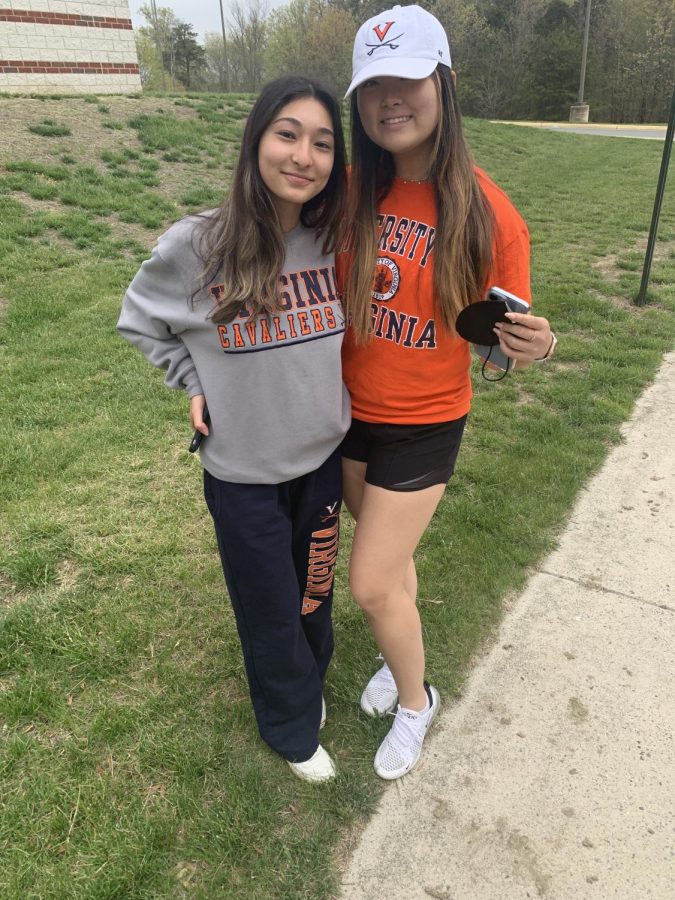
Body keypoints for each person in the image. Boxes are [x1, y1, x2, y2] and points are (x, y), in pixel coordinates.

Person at [339, 5, 556, 780]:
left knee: (367, 580)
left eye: (407, 79)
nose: (390, 99)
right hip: (346, 413)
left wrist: (533, 347)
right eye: (373, 86)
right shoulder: (353, 190)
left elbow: (498, 351)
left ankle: (414, 702)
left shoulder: (492, 214)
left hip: (423, 423)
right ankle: (402, 662)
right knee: (390, 567)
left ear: (442, 83)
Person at [117, 76, 350, 783]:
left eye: (321, 142)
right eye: (286, 133)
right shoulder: (197, 244)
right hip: (244, 472)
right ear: (255, 143)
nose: (303, 155)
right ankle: (288, 728)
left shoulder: (334, 240)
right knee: (269, 606)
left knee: (312, 590)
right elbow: (141, 319)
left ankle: (307, 685)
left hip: (322, 463)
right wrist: (193, 382)